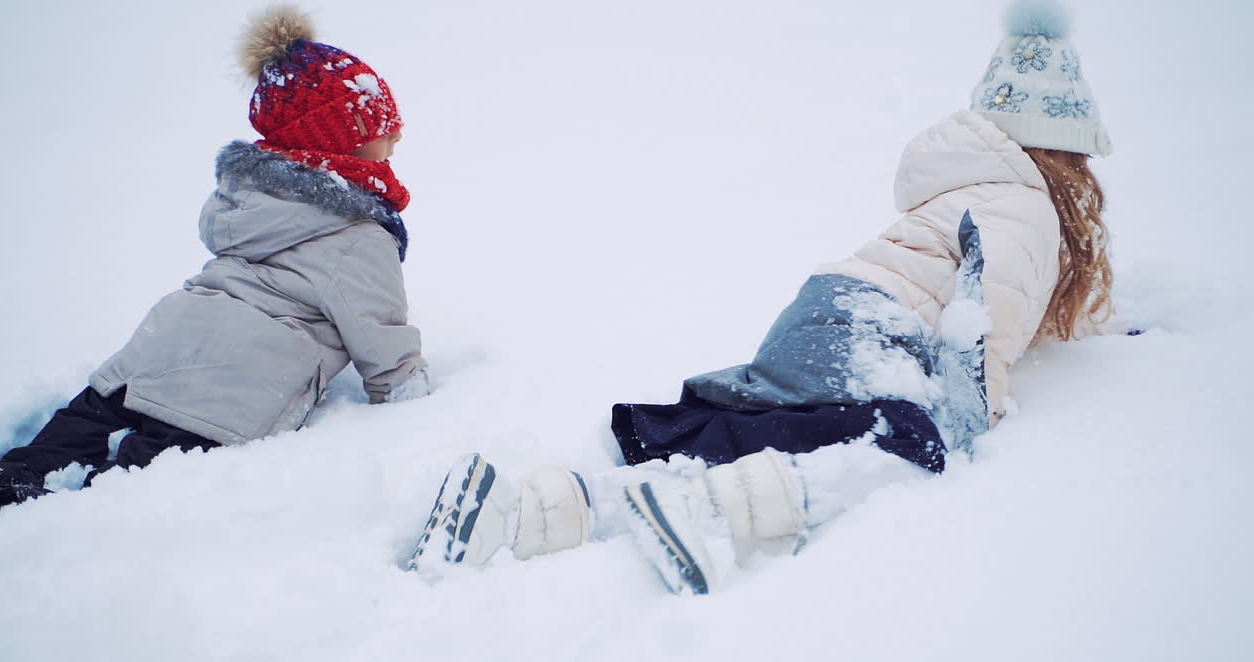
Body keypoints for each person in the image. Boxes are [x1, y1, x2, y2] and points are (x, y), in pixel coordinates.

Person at [407, 0, 1118, 593]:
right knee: (905, 449)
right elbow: (982, 321)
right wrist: (964, 426)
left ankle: (518, 512)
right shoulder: (1026, 208)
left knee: (744, 433)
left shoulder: (971, 184)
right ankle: (706, 512)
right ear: (1064, 151)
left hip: (824, 311)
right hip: (874, 333)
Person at [0, 7, 429, 528]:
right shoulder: (358, 234)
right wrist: (419, 414)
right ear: (331, 140)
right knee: (93, 511)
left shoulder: (246, 198)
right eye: (380, 127)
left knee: (28, 471)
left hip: (151, 354)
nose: (396, 138)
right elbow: (385, 350)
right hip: (229, 392)